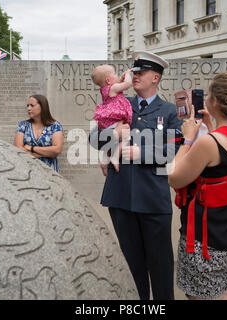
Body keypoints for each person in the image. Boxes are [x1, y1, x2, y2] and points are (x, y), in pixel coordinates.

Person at [89, 51, 181, 300]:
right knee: (132, 266)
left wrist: (141, 152)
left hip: (153, 199)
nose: (134, 76)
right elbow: (94, 138)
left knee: (161, 264)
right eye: (134, 72)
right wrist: (113, 137)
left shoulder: (170, 111)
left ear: (155, 77)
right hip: (121, 198)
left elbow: (173, 149)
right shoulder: (119, 103)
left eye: (140, 73)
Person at [168, 72, 227, 300]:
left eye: (208, 94)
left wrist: (188, 139)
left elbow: (174, 177)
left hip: (208, 241)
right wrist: (211, 125)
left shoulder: (209, 142)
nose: (206, 98)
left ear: (215, 102)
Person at [91, 64, 133, 173]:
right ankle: (115, 156)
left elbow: (117, 84)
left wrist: (120, 79)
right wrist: (128, 74)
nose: (116, 75)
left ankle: (105, 161)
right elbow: (128, 84)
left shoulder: (106, 89)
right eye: (114, 73)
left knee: (111, 143)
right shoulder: (113, 88)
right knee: (125, 136)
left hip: (108, 121)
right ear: (108, 80)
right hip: (115, 120)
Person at [14, 94, 64, 172]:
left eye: (32, 105)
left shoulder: (55, 126)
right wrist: (45, 153)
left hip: (49, 172)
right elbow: (17, 148)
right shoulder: (23, 125)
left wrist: (31, 148)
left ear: (42, 106)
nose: (28, 108)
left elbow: (57, 150)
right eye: (27, 106)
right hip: (27, 171)